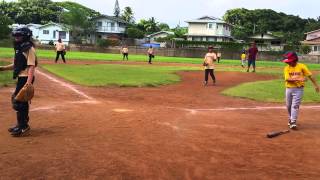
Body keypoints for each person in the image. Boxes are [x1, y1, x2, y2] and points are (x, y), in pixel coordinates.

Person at [0, 27, 37, 137]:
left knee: (18, 102)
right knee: (20, 101)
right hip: (22, 78)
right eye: (15, 36)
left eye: (19, 36)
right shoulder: (20, 48)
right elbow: (17, 65)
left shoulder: (29, 49)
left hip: (26, 78)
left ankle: (23, 126)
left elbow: (31, 66)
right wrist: (2, 68)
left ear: (25, 36)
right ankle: (21, 124)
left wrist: (28, 82)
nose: (16, 37)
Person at [282, 52, 319, 129]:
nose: (288, 62)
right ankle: (291, 118)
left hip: (299, 89)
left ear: (295, 60)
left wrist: (316, 85)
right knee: (288, 106)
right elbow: (287, 79)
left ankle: (293, 121)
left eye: (290, 61)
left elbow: (310, 76)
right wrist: (300, 78)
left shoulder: (302, 66)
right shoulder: (287, 68)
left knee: (295, 105)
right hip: (289, 88)